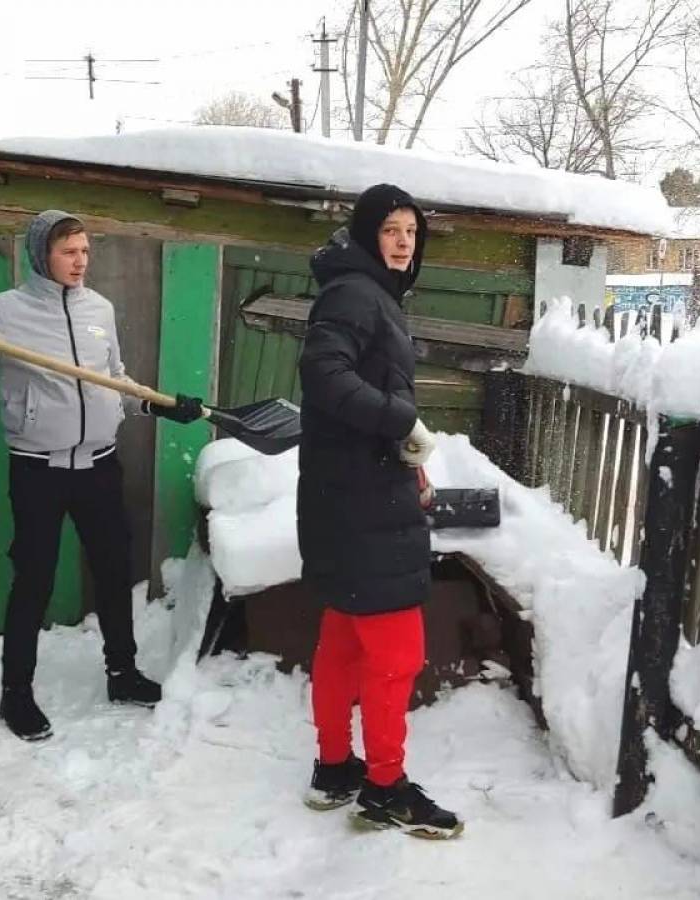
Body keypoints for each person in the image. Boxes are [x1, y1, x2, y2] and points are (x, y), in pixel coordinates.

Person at [0, 209, 203, 742]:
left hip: (100, 466)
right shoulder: (6, 311)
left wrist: (158, 407)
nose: (80, 260)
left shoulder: (98, 310)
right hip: (39, 470)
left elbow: (113, 382)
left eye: (85, 250)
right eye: (69, 251)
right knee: (33, 581)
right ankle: (16, 694)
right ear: (43, 255)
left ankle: (122, 673)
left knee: (113, 571)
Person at [296, 184, 462, 839]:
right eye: (390, 230)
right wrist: (402, 419)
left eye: (410, 233)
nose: (402, 242)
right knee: (395, 656)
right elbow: (325, 376)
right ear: (367, 235)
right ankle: (385, 788)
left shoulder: (367, 293)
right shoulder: (355, 295)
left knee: (341, 644)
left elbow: (352, 390)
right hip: (364, 502)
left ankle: (335, 768)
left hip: (348, 496)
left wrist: (407, 450)